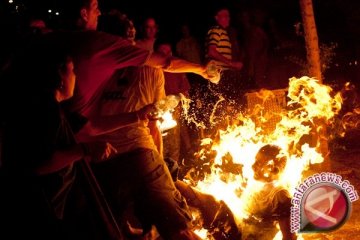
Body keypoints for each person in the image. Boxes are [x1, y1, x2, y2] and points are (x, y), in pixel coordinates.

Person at [0, 39, 156, 240]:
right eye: (72, 70)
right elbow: (37, 163)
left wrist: (137, 115)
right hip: (39, 206)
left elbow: (92, 127)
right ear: (59, 76)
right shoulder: (44, 110)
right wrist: (84, 150)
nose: (76, 76)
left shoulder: (58, 108)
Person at [242, 144, 297, 240]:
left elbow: (289, 237)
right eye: (255, 161)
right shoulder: (254, 189)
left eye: (259, 163)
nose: (253, 166)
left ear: (272, 168)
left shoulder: (280, 195)